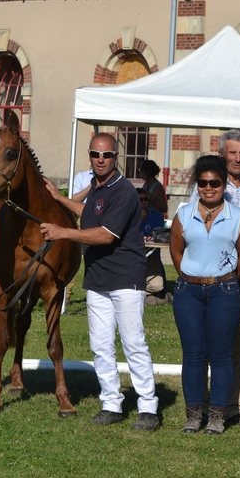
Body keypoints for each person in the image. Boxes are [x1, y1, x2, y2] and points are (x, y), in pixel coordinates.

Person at [40, 133, 160, 432]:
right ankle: (111, 403)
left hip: (125, 278)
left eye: (106, 155)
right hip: (97, 278)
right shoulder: (96, 186)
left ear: (115, 157)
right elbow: (91, 214)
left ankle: (148, 408)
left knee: (133, 343)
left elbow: (106, 234)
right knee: (101, 345)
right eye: (95, 154)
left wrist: (62, 232)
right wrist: (59, 199)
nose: (100, 159)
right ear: (90, 156)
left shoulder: (124, 191)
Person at [170, 155, 240, 435]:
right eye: (203, 182)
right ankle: (194, 415)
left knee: (220, 355)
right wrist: (192, 276)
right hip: (188, 291)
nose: (208, 188)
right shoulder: (183, 214)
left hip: (224, 290)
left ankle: (217, 415)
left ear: (224, 183)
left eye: (214, 183)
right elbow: (176, 252)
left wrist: (225, 279)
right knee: (192, 355)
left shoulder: (238, 217)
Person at [189, 129, 240, 427]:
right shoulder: (205, 186)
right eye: (232, 152)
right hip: (208, 280)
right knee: (207, 345)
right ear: (222, 154)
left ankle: (234, 406)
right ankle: (206, 405)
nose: (237, 158)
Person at [137, 188, 169, 305]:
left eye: (146, 199)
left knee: (157, 286)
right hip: (130, 255)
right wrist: (137, 220)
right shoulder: (127, 216)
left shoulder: (156, 216)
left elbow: (160, 234)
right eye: (140, 200)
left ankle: (132, 291)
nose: (144, 202)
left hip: (151, 255)